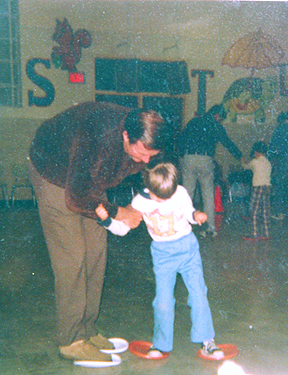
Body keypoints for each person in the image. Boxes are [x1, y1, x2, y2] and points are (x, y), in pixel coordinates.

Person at [28, 101, 169, 362]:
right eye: (142, 152)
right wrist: (119, 212)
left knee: (95, 252)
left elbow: (149, 180)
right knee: (72, 258)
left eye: (152, 154)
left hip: (87, 176)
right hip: (53, 171)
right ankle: (70, 340)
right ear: (126, 135)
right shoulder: (98, 136)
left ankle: (88, 329)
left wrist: (156, 205)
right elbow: (76, 198)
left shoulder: (141, 142)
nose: (147, 160)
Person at [95, 162, 224, 359]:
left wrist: (196, 214)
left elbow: (188, 211)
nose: (166, 201)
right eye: (161, 198)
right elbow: (123, 229)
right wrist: (107, 222)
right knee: (163, 301)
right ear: (149, 189)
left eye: (169, 196)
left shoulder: (179, 192)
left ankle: (207, 341)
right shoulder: (139, 202)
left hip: (187, 248)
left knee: (199, 294)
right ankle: (161, 344)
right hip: (162, 254)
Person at [178, 104, 242, 238]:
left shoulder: (194, 121)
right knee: (208, 194)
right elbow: (227, 142)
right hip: (206, 159)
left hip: (189, 158)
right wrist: (239, 155)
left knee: (186, 194)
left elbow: (181, 138)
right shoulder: (216, 126)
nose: (220, 121)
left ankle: (181, 227)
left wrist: (181, 156)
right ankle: (211, 228)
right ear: (216, 115)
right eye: (221, 118)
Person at [241, 141, 272, 241]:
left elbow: (246, 167)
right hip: (267, 187)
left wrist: (242, 161)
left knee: (254, 210)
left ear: (257, 152)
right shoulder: (268, 163)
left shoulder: (254, 162)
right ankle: (266, 233)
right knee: (265, 210)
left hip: (257, 187)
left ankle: (254, 234)